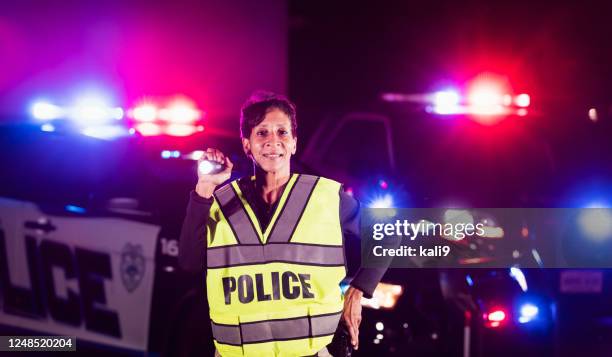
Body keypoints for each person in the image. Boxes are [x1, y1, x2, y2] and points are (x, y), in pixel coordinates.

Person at [179, 91, 389, 356]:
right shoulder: (220, 201)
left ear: (294, 143)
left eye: (282, 132)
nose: (273, 141)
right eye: (262, 133)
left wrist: (358, 291)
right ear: (247, 145)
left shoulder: (324, 197)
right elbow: (188, 260)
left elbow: (390, 235)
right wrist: (205, 187)